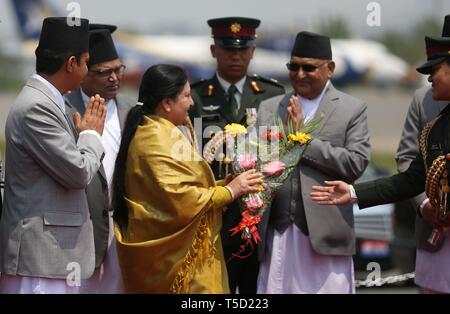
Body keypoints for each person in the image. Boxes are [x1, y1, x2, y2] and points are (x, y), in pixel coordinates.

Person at [310, 33, 450, 294]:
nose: (428, 78)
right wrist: (353, 192)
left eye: (436, 69)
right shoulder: (437, 127)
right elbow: (410, 179)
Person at [112, 64, 262, 293]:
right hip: (174, 261)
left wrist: (225, 184)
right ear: (167, 103)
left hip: (185, 251)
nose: (192, 102)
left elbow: (183, 187)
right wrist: (231, 191)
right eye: (185, 96)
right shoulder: (154, 139)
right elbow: (181, 200)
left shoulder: (160, 131)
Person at [256, 31, 370, 294]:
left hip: (325, 236)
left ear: (330, 69)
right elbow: (258, 164)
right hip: (278, 235)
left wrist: (302, 140)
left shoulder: (351, 109)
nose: (299, 74)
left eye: (308, 67)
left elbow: (356, 164)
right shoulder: (270, 108)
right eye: (293, 66)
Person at [0, 17, 106, 293]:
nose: (86, 71)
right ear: (71, 63)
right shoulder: (37, 107)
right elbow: (79, 172)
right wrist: (92, 135)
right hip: (41, 262)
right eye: (85, 62)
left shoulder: (50, 101)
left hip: (52, 261)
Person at [189, 16, 285, 294]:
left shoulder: (271, 94)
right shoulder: (196, 97)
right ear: (213, 50)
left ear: (252, 52)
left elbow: (278, 150)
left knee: (257, 287)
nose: (235, 56)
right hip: (214, 210)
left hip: (258, 212)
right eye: (228, 49)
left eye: (242, 50)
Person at [65, 24, 135, 293]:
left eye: (118, 69)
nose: (115, 78)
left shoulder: (133, 111)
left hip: (123, 228)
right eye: (104, 72)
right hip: (81, 228)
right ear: (83, 73)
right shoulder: (65, 109)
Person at [394, 15, 449, 293]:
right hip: (435, 233)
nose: (430, 77)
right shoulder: (423, 99)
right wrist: (426, 205)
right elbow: (406, 160)